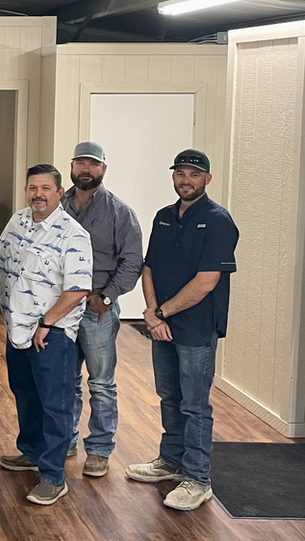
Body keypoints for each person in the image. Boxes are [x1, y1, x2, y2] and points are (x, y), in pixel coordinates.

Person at [126, 149, 238, 512]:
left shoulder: (218, 221)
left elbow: (206, 282)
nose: (185, 180)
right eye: (180, 173)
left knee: (195, 404)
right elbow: (149, 268)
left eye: (193, 174)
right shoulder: (163, 217)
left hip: (195, 328)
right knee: (169, 396)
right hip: (163, 325)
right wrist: (154, 316)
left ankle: (198, 478)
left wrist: (159, 313)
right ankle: (170, 460)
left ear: (207, 179)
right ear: (173, 177)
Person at [0, 164, 92, 506]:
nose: (38, 194)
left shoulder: (73, 233)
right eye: (33, 188)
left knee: (55, 404)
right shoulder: (18, 221)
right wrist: (0, 305)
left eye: (45, 188)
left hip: (51, 335)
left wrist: (47, 323)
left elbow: (78, 289)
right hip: (15, 327)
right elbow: (2, 263)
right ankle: (32, 452)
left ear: (59, 192)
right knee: (24, 393)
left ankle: (53, 475)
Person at [61, 142, 143, 477]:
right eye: (80, 162)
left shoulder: (120, 213)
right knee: (65, 380)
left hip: (97, 308)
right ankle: (66, 439)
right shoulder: (56, 204)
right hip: (62, 306)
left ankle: (99, 449)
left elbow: (133, 262)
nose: (86, 169)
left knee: (101, 383)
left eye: (93, 164)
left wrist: (106, 297)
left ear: (103, 170)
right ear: (71, 167)